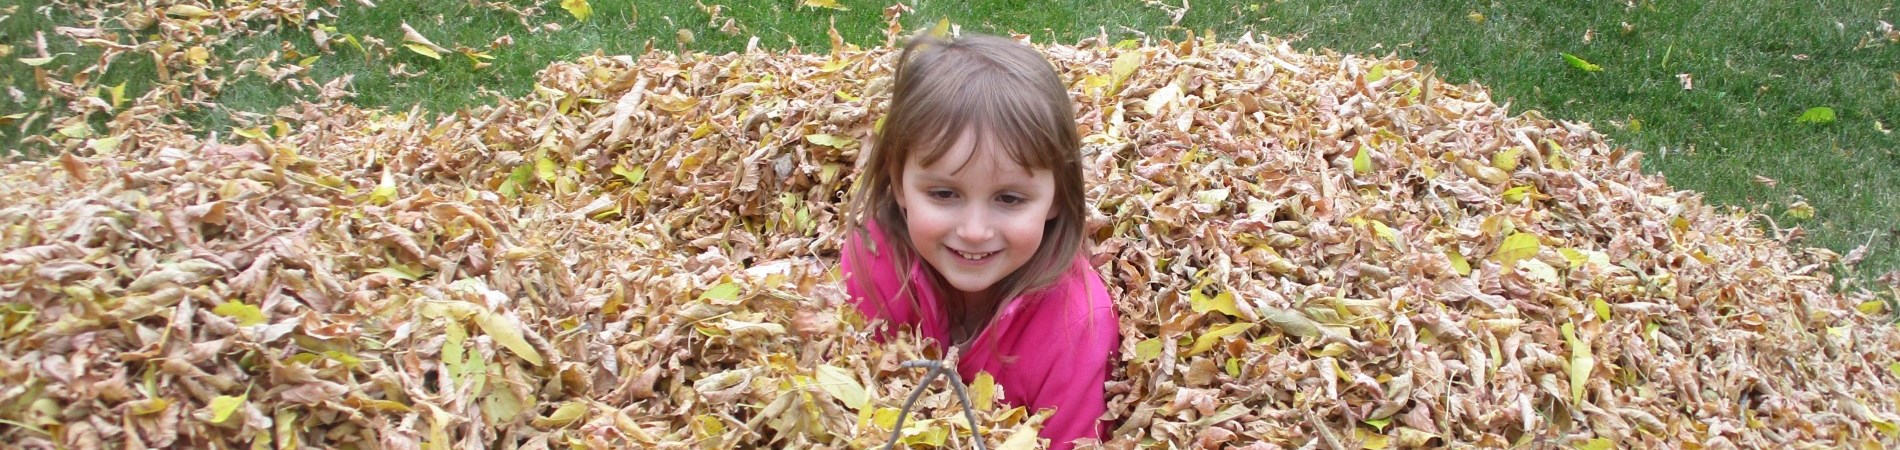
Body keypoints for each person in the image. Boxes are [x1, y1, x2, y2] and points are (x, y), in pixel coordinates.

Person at [840, 32, 1120, 450]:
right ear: (900, 184)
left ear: (1057, 198)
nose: (974, 230)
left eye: (1008, 198)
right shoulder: (875, 261)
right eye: (944, 194)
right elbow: (852, 406)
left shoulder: (1077, 323)